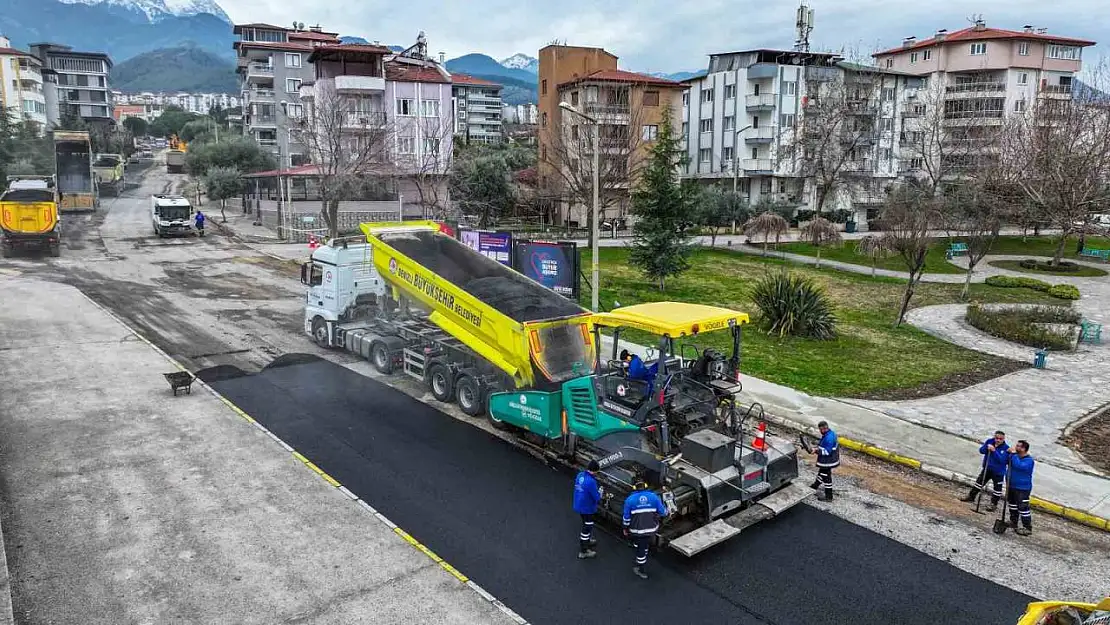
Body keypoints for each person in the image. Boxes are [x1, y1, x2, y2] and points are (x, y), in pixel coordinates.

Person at [622, 480, 668, 580]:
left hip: (636, 530)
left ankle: (641, 569)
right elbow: (663, 512)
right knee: (644, 543)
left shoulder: (630, 500)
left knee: (641, 548)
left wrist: (625, 528)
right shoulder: (654, 497)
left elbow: (626, 518)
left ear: (634, 488)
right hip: (652, 528)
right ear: (646, 487)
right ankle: (643, 549)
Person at [960, 430, 1009, 511]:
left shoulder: (1006, 448)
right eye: (996, 438)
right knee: (978, 483)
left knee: (997, 490)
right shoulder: (989, 441)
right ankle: (971, 497)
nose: (998, 440)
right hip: (987, 468)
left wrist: (994, 451)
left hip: (998, 472)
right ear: (994, 437)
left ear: (1003, 439)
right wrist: (986, 447)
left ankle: (993, 504)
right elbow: (981, 451)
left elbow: (1002, 460)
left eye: (1000, 439)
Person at [572, 460, 602, 559]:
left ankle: (587, 541)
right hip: (587, 508)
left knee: (585, 523)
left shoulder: (580, 475)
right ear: (594, 471)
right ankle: (584, 550)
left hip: (579, 505)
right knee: (587, 527)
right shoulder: (591, 482)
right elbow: (596, 498)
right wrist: (600, 493)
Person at [1006, 440, 1035, 536]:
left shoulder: (1029, 460)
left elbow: (1019, 466)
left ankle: (1027, 527)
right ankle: (1013, 522)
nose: (1015, 447)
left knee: (1023, 507)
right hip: (1012, 485)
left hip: (1022, 488)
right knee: (1012, 504)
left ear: (1023, 449)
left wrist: (1013, 455)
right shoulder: (1014, 457)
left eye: (1018, 446)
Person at [808, 421, 839, 502]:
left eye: (820, 429)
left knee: (826, 477)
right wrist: (817, 447)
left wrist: (816, 451)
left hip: (828, 460)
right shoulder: (829, 434)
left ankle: (829, 497)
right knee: (822, 473)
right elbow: (823, 445)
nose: (820, 431)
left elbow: (827, 451)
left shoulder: (829, 438)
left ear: (823, 428)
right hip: (830, 459)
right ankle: (814, 486)